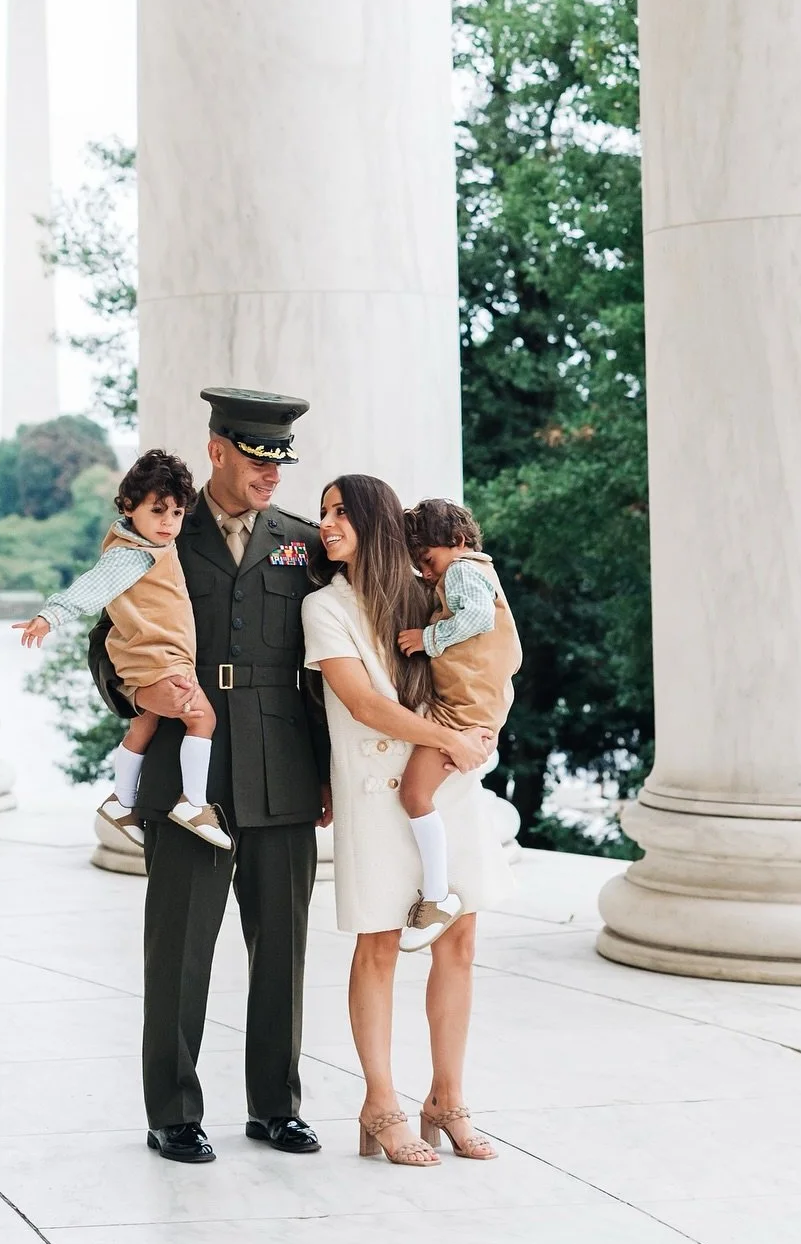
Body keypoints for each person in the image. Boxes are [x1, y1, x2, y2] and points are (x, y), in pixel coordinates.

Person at [88, 388, 329, 1165]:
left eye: (280, 462)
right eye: (258, 458)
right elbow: (106, 639)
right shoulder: (157, 530)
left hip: (283, 761)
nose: (271, 475)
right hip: (187, 766)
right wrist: (140, 693)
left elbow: (326, 663)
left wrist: (327, 770)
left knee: (283, 948)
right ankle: (174, 1112)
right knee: (181, 948)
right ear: (219, 448)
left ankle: (275, 1106)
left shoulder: (301, 541)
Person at [302, 474, 514, 1166]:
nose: (327, 522)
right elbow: (362, 703)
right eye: (322, 512)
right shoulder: (323, 607)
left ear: (375, 521)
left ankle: (446, 1098)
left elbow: (478, 660)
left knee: (460, 938)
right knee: (381, 946)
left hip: (442, 784)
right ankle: (380, 1102)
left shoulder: (431, 591)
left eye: (340, 512)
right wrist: (452, 740)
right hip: (378, 789)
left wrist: (472, 731)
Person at [15, 449, 231, 850]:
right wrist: (51, 615)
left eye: (177, 513)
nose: (168, 523)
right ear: (130, 508)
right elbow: (91, 587)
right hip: (160, 658)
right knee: (203, 719)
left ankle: (121, 801)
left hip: (147, 657)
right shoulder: (132, 556)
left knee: (143, 724)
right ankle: (194, 803)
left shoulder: (147, 547)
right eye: (158, 511)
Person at [394, 496, 522, 949]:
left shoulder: (465, 569)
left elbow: (476, 616)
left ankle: (437, 895)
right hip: (469, 706)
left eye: (427, 560)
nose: (426, 573)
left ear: (458, 541)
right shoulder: (465, 570)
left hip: (462, 713)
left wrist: (427, 638)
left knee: (414, 793)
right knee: (422, 793)